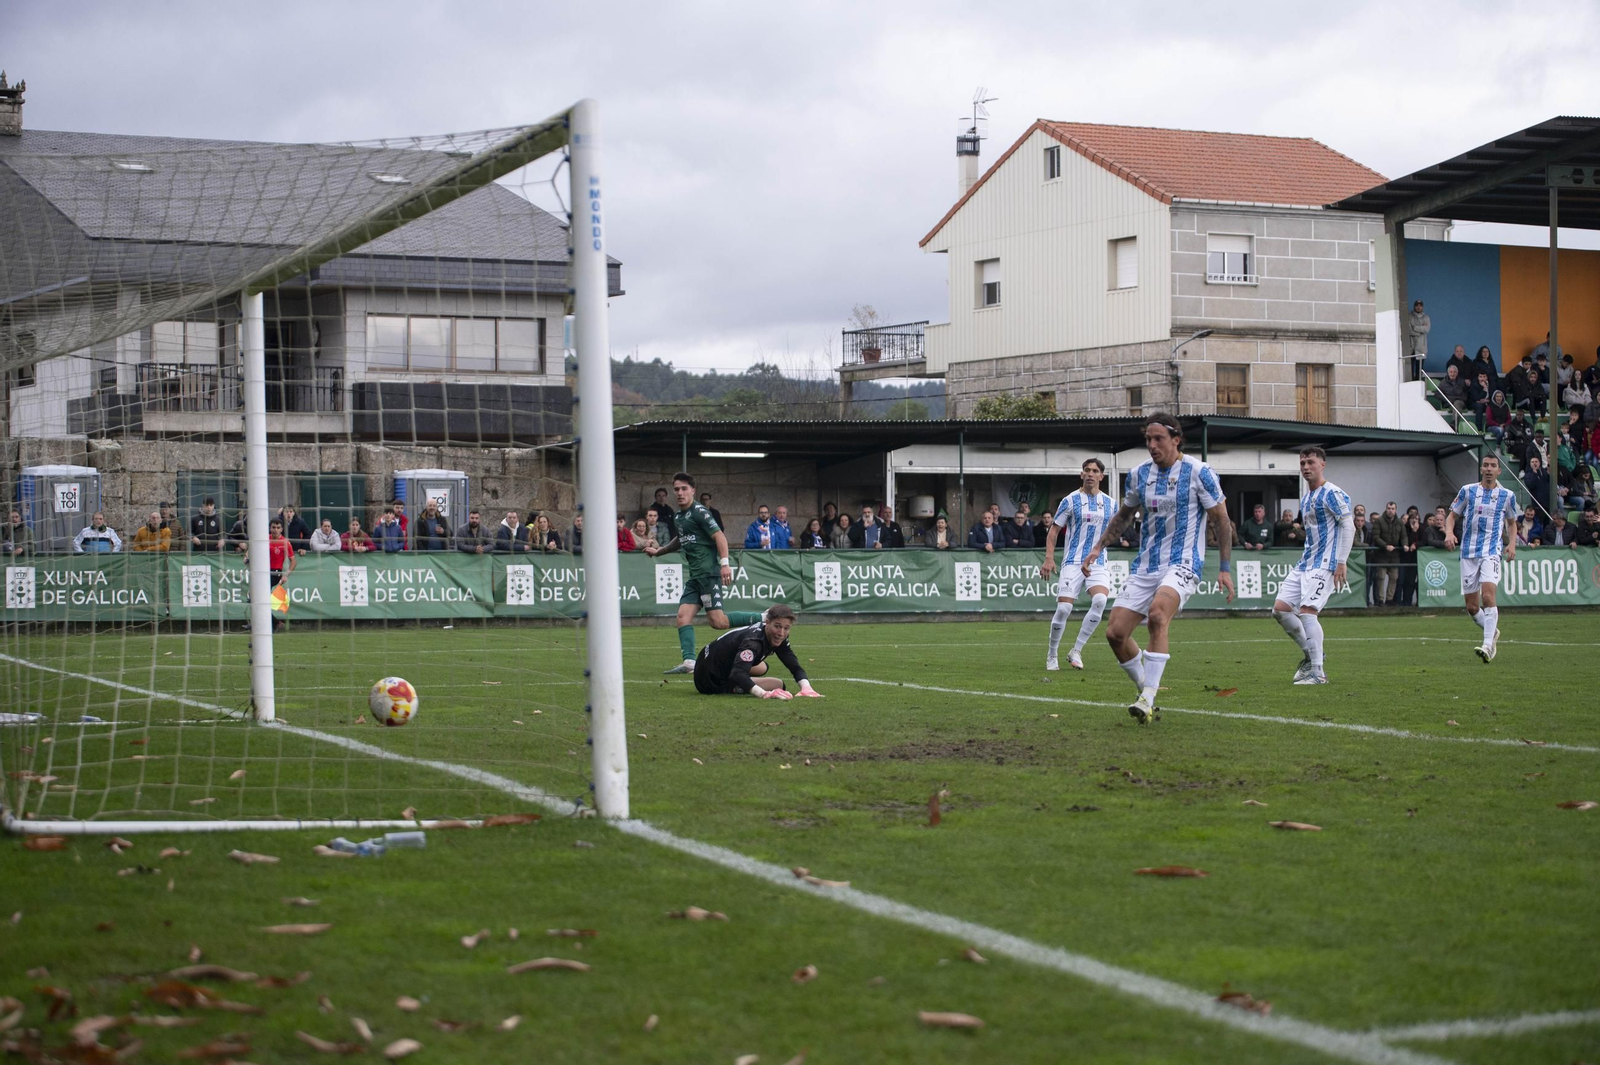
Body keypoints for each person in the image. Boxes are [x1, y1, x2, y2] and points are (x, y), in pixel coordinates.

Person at [1086, 413, 1233, 724]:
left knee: (1157, 614)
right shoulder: (1139, 474)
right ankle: (1146, 693)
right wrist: (1098, 547)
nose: (1152, 445)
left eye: (1158, 439)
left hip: (1183, 562)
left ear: (1175, 439)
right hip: (1146, 565)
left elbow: (1221, 518)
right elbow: (1125, 515)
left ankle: (1149, 695)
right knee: (1115, 634)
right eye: (1148, 440)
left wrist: (1224, 567)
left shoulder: (1199, 472)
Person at [645, 471, 763, 673]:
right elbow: (680, 540)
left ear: (693, 490)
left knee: (719, 622)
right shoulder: (680, 516)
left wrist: (725, 564)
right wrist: (659, 551)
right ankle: (689, 663)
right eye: (676, 489)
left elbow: (720, 537)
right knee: (682, 617)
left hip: (708, 574)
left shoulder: (700, 512)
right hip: (695, 577)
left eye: (684, 489)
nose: (680, 493)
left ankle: (763, 617)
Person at [1272, 447, 1353, 685]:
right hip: (1306, 562)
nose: (1306, 467)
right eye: (1303, 463)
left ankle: (1318, 672)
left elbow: (1349, 526)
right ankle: (1311, 654)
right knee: (1280, 610)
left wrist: (1341, 562)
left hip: (1325, 563)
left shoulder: (1332, 493)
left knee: (1308, 612)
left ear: (1322, 464)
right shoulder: (1307, 498)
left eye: (1311, 462)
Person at [1038, 458, 1116, 671]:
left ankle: (1076, 650)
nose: (1090, 474)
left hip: (1098, 562)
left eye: (1095, 471)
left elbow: (1113, 531)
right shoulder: (1070, 501)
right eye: (1087, 470)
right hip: (1072, 561)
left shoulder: (1110, 503)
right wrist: (1049, 558)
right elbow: (1053, 531)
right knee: (1064, 608)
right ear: (1082, 474)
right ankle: (1052, 654)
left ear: (1101, 476)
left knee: (1100, 600)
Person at [1444, 454, 1518, 662]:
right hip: (1468, 552)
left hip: (1491, 552)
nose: (1488, 469)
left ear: (1498, 471)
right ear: (1481, 469)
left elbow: (1512, 523)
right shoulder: (1468, 491)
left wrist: (1511, 544)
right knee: (1472, 607)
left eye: (1493, 466)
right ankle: (1491, 630)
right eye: (1485, 465)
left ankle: (1487, 646)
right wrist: (1449, 533)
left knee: (1488, 596)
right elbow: (1451, 516)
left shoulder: (1507, 496)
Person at [691, 604, 822, 699]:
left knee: (762, 667)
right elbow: (737, 673)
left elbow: (793, 665)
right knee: (778, 684)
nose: (781, 633)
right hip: (709, 680)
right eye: (777, 626)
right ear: (767, 622)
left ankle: (739, 680)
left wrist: (806, 688)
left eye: (786, 628)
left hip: (706, 662)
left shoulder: (774, 635)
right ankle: (732, 687)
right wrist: (763, 693)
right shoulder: (753, 642)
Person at [244, 518, 296, 633]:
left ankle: (264, 624)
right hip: (262, 571)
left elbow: (293, 561)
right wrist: (246, 556)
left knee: (257, 598)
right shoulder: (264, 539)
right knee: (257, 599)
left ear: (282, 529)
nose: (275, 530)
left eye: (278, 528)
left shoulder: (285, 543)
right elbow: (250, 549)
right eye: (273, 527)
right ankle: (275, 623)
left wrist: (286, 575)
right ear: (269, 528)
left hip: (275, 573)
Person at [1370, 501, 1404, 605]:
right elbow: (1375, 537)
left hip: (1394, 555)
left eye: (1393, 509)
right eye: (1389, 508)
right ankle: (1380, 599)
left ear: (1395, 510)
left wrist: (1405, 544)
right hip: (1381, 554)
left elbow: (1404, 536)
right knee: (1380, 577)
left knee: (1394, 578)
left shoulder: (1399, 522)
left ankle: (1389, 599)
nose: (1390, 511)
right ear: (1386, 509)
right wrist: (1385, 546)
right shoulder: (1379, 521)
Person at [1397, 511, 1423, 606]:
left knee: (1411, 582)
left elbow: (1424, 541)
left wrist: (1416, 544)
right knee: (1401, 581)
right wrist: (1413, 532)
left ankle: (1408, 602)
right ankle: (1399, 602)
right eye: (1413, 519)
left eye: (1417, 519)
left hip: (1416, 558)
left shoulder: (1422, 528)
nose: (1415, 521)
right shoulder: (1404, 528)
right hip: (1404, 558)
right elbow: (1405, 541)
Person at [1407, 300, 1430, 379]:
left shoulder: (1426, 317)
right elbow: (1408, 330)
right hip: (1411, 347)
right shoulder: (1409, 316)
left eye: (1420, 305)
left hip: (1421, 348)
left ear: (1422, 307)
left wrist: (1415, 327)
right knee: (1410, 370)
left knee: (1419, 371)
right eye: (1417, 305)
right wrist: (1420, 331)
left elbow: (1427, 329)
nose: (1418, 307)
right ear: (1414, 306)